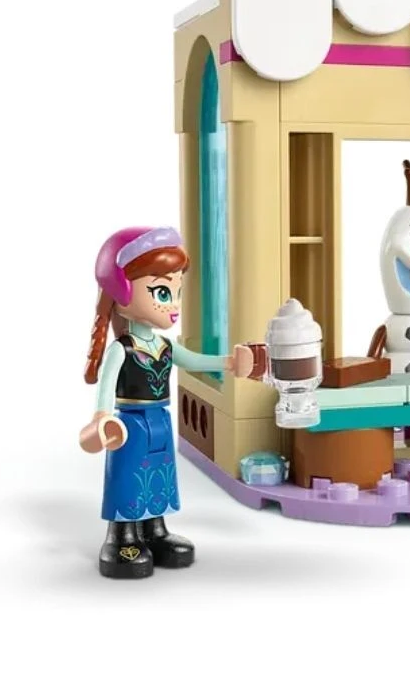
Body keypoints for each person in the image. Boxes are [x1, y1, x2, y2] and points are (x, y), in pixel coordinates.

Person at [79, 226, 259, 578]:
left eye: (177, 291)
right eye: (162, 292)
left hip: (160, 421)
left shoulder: (164, 346)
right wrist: (101, 418)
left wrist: (230, 363)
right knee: (129, 478)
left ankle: (155, 530)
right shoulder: (122, 349)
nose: (174, 305)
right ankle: (122, 536)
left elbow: (194, 360)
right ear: (122, 292)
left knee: (159, 477)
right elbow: (106, 388)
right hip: (130, 427)